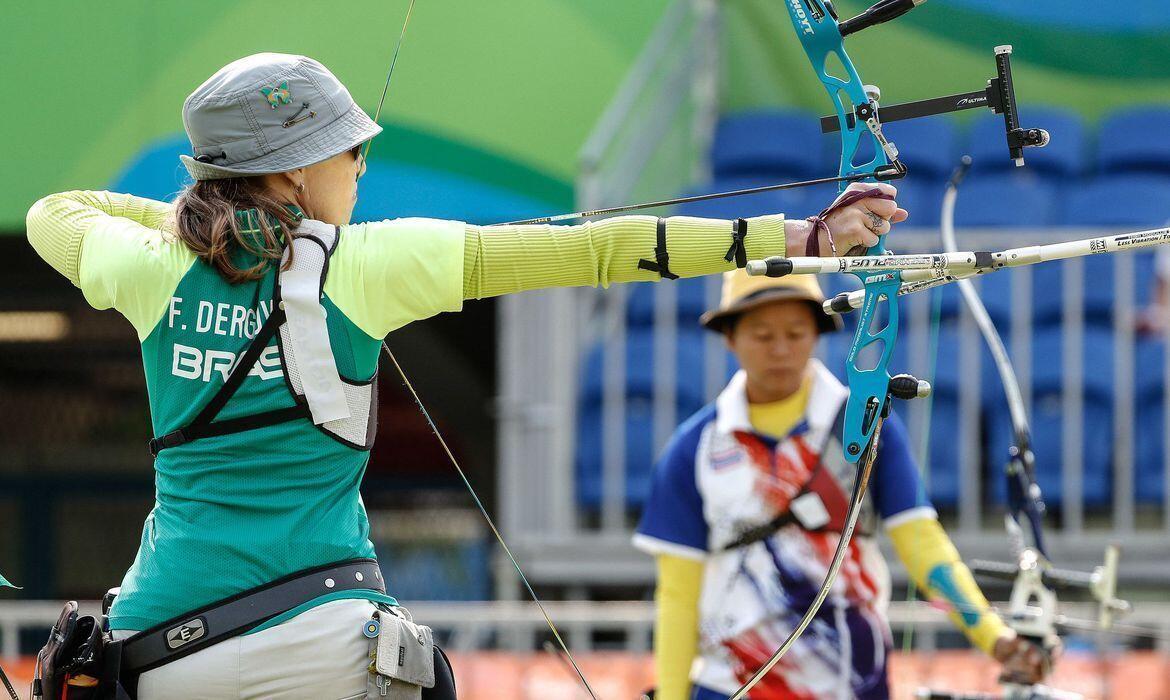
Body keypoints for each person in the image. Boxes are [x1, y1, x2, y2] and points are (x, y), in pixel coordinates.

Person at [24, 53, 902, 700]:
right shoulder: (369, 266)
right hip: (327, 645)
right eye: (347, 151)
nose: (360, 166)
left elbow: (54, 211)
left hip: (162, 654)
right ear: (293, 169)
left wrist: (206, 227)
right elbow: (597, 247)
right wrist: (802, 241)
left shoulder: (144, 267)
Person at [634, 271, 1054, 700]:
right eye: (762, 335)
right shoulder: (695, 447)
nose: (780, 350)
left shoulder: (868, 426)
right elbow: (678, 594)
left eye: (796, 333)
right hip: (732, 685)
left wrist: (995, 638)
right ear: (729, 338)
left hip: (851, 683)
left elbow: (922, 545)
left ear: (818, 333)